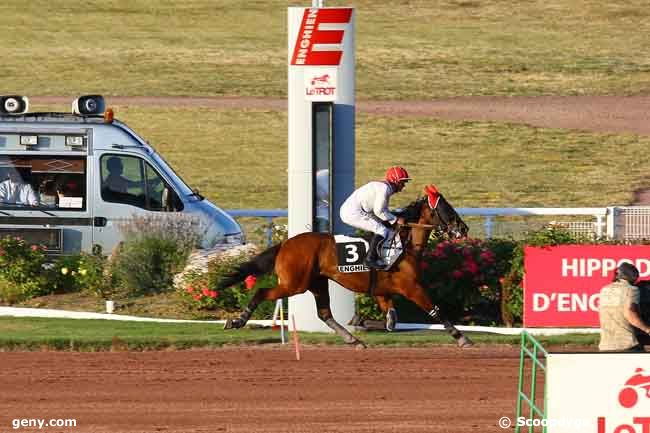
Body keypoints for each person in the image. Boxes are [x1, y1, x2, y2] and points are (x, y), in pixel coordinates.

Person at [340, 166, 410, 268]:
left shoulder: (384, 187)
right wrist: (396, 219)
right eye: (402, 182)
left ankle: (375, 255)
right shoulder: (385, 188)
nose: (403, 186)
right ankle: (370, 259)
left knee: (383, 227)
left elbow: (381, 211)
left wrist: (394, 216)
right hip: (352, 212)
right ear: (395, 181)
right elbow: (379, 211)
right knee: (382, 230)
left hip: (356, 210)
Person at [599, 262, 650, 352]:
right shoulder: (631, 290)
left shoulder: (604, 289)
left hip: (605, 346)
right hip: (627, 345)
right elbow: (630, 313)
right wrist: (647, 329)